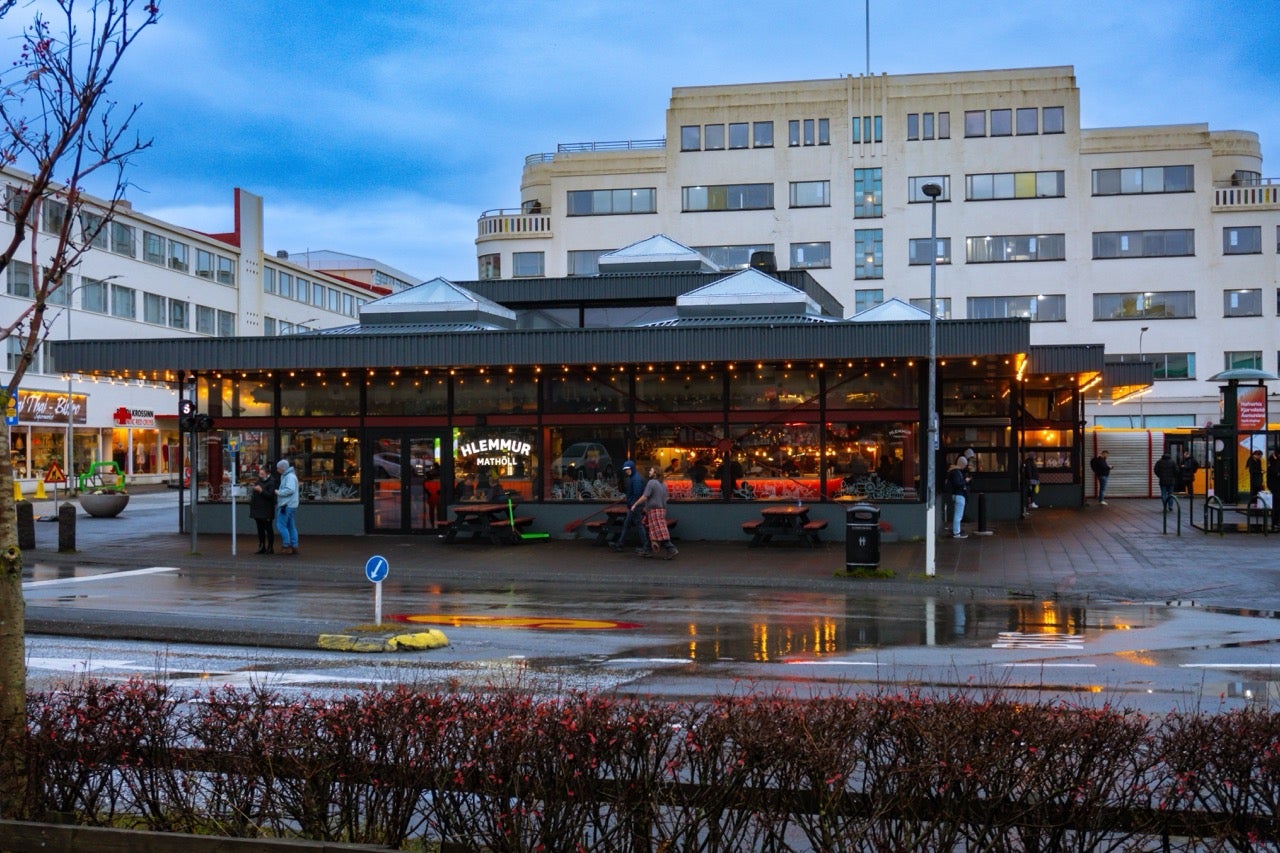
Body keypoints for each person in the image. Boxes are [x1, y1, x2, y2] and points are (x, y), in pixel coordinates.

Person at [634, 465, 678, 559]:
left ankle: (671, 548)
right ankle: (647, 549)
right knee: (653, 529)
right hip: (661, 509)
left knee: (659, 530)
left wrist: (635, 504)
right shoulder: (663, 484)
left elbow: (645, 496)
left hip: (654, 510)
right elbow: (666, 497)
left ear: (655, 473)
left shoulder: (651, 482)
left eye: (651, 470)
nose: (649, 472)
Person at [613, 460, 650, 554]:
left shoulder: (635, 479)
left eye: (628, 469)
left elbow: (637, 494)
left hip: (634, 506)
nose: (627, 471)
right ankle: (621, 544)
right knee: (632, 524)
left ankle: (645, 545)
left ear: (632, 468)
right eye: (625, 469)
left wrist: (633, 504)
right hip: (635, 505)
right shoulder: (635, 477)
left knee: (633, 525)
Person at [249, 464, 278, 554]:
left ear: (267, 474)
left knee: (268, 528)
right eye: (259, 473)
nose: (260, 475)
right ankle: (261, 546)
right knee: (260, 528)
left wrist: (261, 490)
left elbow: (270, 496)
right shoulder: (259, 481)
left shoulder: (272, 482)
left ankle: (270, 547)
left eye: (262, 474)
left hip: (267, 509)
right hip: (257, 508)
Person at [275, 458, 300, 555]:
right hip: (292, 504)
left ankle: (286, 545)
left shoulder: (289, 477)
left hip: (286, 505)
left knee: (281, 525)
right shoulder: (291, 475)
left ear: (283, 468)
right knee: (291, 526)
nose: (277, 470)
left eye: (278, 468)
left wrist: (279, 492)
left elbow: (290, 490)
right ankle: (294, 545)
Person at [945, 455, 971, 538]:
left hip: (956, 495)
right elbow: (958, 484)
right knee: (958, 515)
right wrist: (965, 481)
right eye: (964, 465)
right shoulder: (956, 472)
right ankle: (956, 532)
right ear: (962, 464)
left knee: (957, 514)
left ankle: (956, 531)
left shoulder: (954, 471)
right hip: (959, 495)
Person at [1020, 452, 1039, 517]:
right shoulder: (1030, 462)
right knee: (1031, 491)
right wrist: (1030, 479)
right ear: (1032, 456)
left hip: (1031, 479)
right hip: (1031, 479)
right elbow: (1029, 471)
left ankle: (1030, 503)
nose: (1035, 456)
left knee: (1031, 491)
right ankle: (1030, 503)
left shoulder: (1028, 462)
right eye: (1034, 455)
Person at [1267, 450, 1280, 532]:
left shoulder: (1273, 464)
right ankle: (1275, 522)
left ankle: (1276, 522)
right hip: (1276, 488)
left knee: (1276, 506)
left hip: (1275, 488)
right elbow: (1276, 472)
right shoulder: (1274, 464)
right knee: (1276, 506)